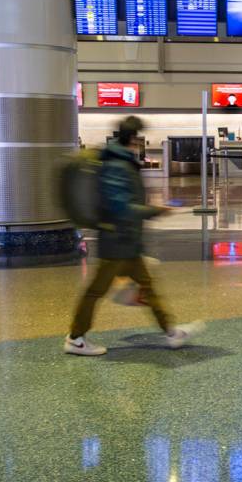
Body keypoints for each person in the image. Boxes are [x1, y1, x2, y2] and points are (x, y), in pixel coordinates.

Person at [65, 116, 200, 356]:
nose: (141, 143)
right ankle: (75, 338)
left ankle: (171, 332)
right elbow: (121, 207)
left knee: (147, 286)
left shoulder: (120, 161)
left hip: (126, 240)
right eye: (139, 138)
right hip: (117, 240)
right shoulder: (117, 165)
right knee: (96, 290)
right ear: (133, 139)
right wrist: (157, 210)